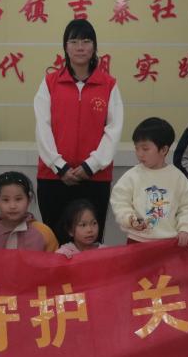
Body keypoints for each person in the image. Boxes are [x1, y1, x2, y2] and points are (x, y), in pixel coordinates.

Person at [35, 18, 123, 244]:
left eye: (86, 41)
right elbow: (42, 128)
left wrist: (90, 166)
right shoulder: (50, 83)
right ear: (65, 47)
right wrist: (60, 166)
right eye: (73, 41)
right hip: (54, 178)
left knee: (90, 243)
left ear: (94, 47)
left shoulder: (108, 85)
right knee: (55, 241)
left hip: (94, 178)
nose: (80, 47)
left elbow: (113, 131)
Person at [111, 117, 188, 246]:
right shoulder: (132, 176)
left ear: (163, 150)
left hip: (169, 241)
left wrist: (185, 228)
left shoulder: (177, 178)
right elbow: (119, 201)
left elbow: (186, 207)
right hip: (137, 240)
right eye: (137, 148)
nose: (140, 154)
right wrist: (129, 218)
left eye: (145, 149)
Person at [0, 172, 58, 251]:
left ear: (29, 200)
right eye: (5, 200)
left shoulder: (44, 232)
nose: (12, 206)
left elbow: (55, 260)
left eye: (18, 199)